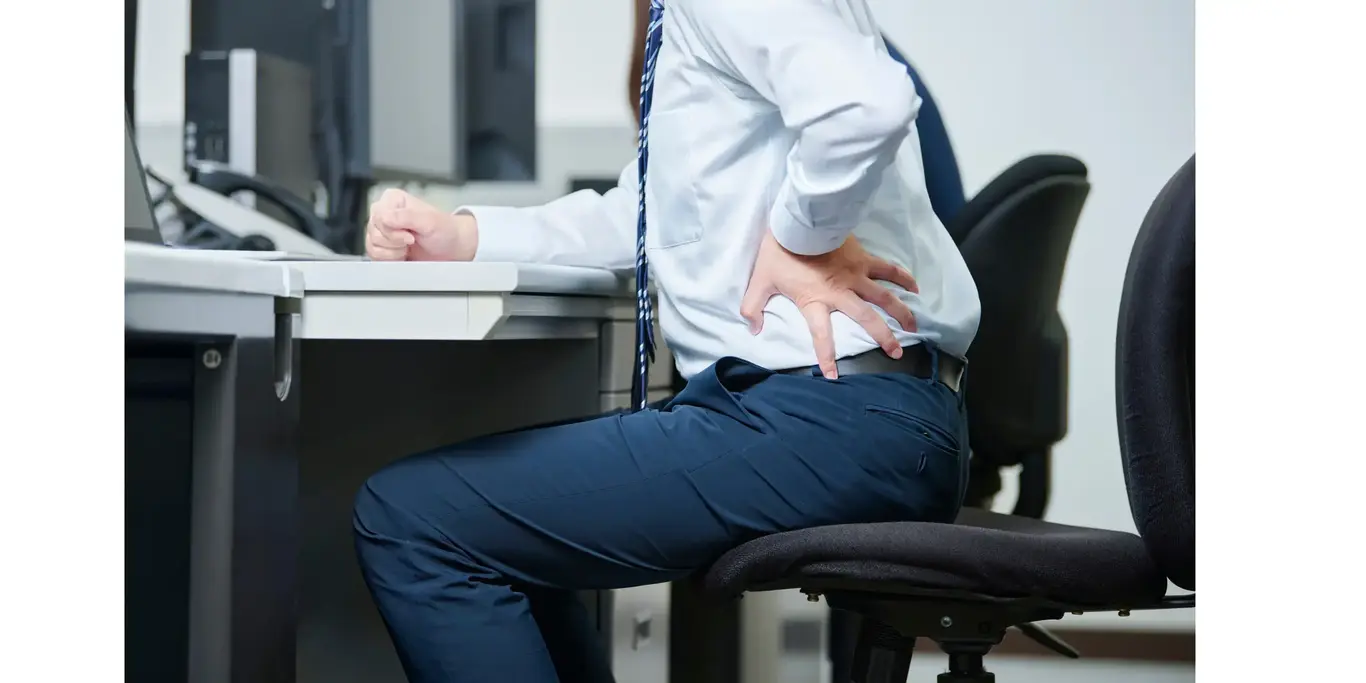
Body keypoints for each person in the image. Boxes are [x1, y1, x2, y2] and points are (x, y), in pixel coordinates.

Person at [354, 1, 981, 681]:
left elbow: (868, 105)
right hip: (871, 416)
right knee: (507, 533)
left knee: (416, 522)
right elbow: (655, 206)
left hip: (827, 416)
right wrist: (470, 236)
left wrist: (800, 234)